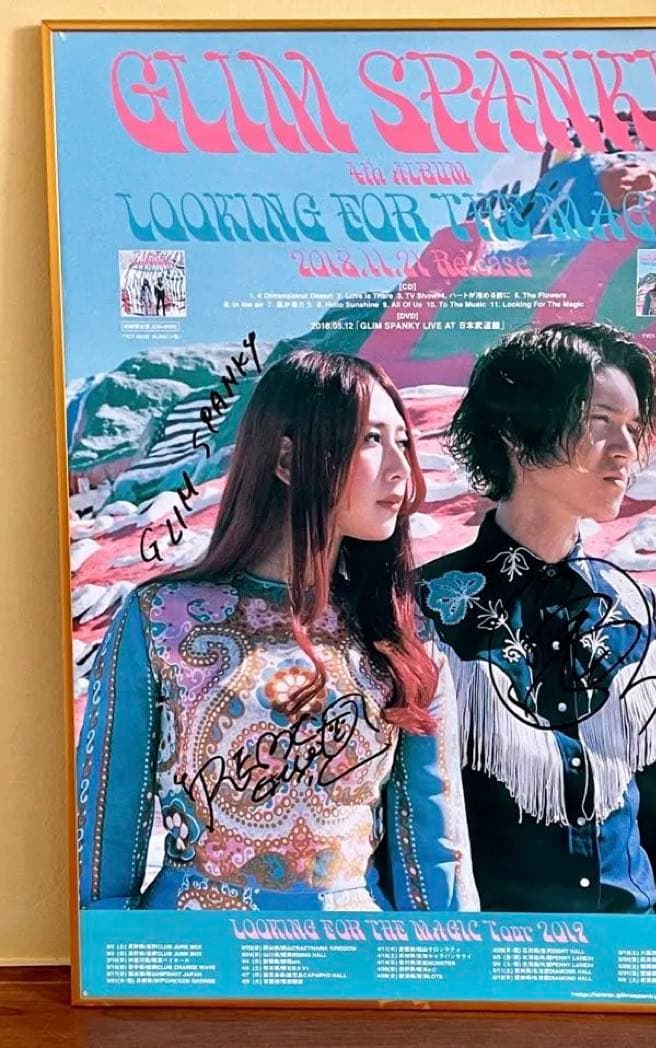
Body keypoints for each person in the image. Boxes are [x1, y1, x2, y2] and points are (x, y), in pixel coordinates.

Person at [77, 349, 478, 913]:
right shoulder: (160, 619)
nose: (400, 470)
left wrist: (449, 961)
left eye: (403, 443)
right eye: (371, 440)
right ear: (287, 459)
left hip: (355, 953)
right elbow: (104, 842)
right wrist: (108, 957)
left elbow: (437, 860)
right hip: (196, 950)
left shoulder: (399, 634)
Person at [420, 323, 656, 915]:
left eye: (632, 427)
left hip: (630, 949)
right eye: (600, 421)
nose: (626, 449)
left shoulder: (641, 613)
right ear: (516, 431)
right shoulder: (423, 610)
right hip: (493, 952)